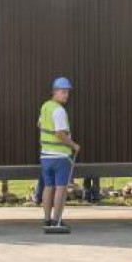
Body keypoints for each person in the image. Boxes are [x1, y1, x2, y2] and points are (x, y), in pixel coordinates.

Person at [37, 77, 80, 231]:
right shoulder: (59, 111)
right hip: (60, 157)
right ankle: (57, 221)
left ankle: (47, 220)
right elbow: (59, 134)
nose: (66, 95)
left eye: (67, 92)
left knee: (48, 187)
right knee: (61, 188)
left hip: (45, 156)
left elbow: (40, 124)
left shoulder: (45, 107)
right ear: (54, 92)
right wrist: (74, 145)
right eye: (63, 92)